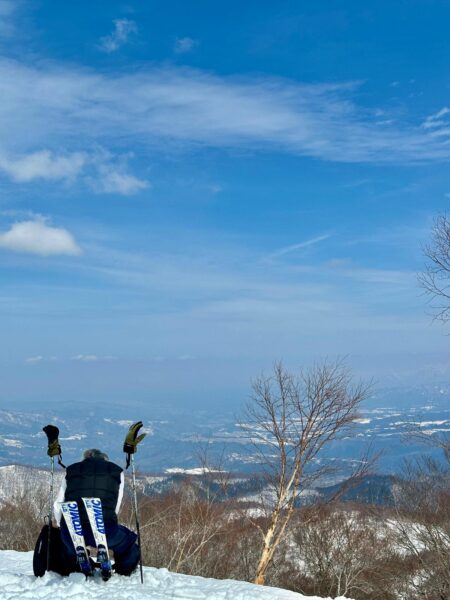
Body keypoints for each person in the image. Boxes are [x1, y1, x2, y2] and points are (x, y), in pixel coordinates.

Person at [53, 448, 140, 576]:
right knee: (129, 543)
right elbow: (116, 506)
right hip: (105, 529)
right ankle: (122, 569)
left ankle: (80, 562)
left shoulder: (71, 470)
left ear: (85, 457)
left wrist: (62, 527)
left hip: (72, 529)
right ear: (105, 459)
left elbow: (58, 504)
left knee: (66, 546)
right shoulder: (116, 472)